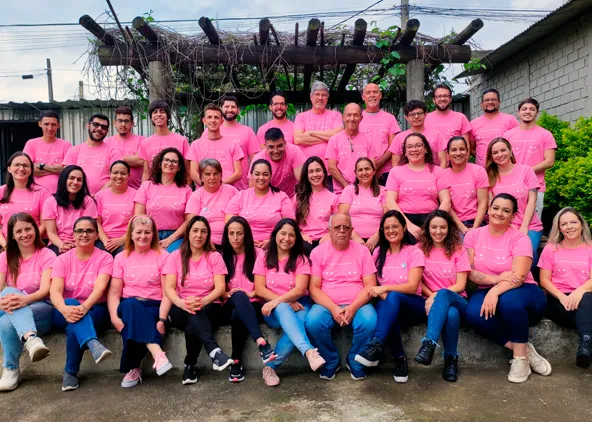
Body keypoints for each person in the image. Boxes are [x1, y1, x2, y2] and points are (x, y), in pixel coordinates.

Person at [464, 193, 550, 383]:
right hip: (486, 288)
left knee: (509, 302)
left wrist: (494, 291)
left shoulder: (520, 238)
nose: (499, 213)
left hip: (525, 292)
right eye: (496, 208)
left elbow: (518, 277)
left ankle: (520, 360)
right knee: (472, 313)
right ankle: (523, 348)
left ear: (513, 216)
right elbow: (468, 272)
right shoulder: (473, 235)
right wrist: (495, 280)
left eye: (506, 210)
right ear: (488, 209)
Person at [353, 210, 425, 383]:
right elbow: (372, 283)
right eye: (386, 228)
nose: (391, 231)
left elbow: (412, 286)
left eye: (395, 226)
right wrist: (385, 294)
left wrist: (384, 289)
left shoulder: (414, 252)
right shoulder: (378, 253)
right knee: (388, 308)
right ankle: (400, 359)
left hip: (412, 304)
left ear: (404, 227)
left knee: (392, 299)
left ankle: (376, 344)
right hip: (388, 302)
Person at [305, 213, 378, 381]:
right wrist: (334, 308)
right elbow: (314, 288)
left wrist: (352, 308)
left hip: (358, 303)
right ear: (329, 230)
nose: (342, 231)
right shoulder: (318, 252)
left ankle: (355, 362)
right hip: (327, 304)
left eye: (346, 227)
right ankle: (331, 361)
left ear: (352, 230)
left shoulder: (362, 252)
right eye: (337, 227)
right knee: (313, 322)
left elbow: (370, 285)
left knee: (369, 321)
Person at [163, 216, 234, 385]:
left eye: (203, 231)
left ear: (208, 235)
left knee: (193, 326)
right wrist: (182, 303)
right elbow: (169, 288)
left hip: (210, 306)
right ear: (188, 233)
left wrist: (202, 301)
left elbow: (220, 288)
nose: (199, 235)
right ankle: (214, 351)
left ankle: (190, 365)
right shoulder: (175, 256)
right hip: (180, 307)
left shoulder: (214, 257)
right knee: (193, 315)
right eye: (195, 230)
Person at [254, 218, 325, 386]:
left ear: (296, 239)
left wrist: (281, 299)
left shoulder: (300, 259)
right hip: (272, 311)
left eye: (291, 235)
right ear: (275, 235)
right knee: (284, 308)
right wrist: (282, 302)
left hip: (300, 306)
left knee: (298, 321)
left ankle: (269, 368)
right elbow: (259, 289)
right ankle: (309, 351)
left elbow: (300, 290)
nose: (287, 238)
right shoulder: (263, 258)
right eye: (283, 233)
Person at [107, 215, 172, 388]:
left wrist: (162, 319)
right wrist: (114, 317)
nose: (143, 236)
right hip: (129, 305)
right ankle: (157, 353)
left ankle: (133, 367)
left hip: (154, 306)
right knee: (130, 305)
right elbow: (114, 293)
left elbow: (167, 293)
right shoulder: (121, 257)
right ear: (131, 234)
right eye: (138, 232)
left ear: (154, 234)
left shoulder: (163, 256)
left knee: (134, 320)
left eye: (147, 232)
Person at [50, 217, 114, 391]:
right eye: (79, 231)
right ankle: (93, 344)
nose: (84, 234)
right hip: (62, 311)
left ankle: (70, 373)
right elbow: (54, 291)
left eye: (89, 231)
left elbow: (100, 289)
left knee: (74, 325)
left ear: (96, 235)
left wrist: (83, 308)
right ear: (73, 235)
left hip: (95, 310)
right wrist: (65, 309)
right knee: (70, 302)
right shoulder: (62, 260)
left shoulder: (105, 258)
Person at [413, 210, 471, 382]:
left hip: (457, 299)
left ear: (449, 229)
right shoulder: (419, 249)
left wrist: (436, 296)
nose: (438, 231)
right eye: (434, 227)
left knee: (446, 295)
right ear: (427, 229)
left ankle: (429, 343)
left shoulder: (458, 250)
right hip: (432, 302)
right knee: (450, 315)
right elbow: (417, 280)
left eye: (443, 227)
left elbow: (460, 285)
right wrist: (433, 296)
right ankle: (450, 360)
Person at [0, 213, 55, 391]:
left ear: (35, 230)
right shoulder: (5, 257)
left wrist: (24, 300)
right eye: (19, 231)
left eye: (28, 229)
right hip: (14, 311)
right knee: (6, 317)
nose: (24, 234)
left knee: (8, 296)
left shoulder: (46, 254)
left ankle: (10, 369)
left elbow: (45, 290)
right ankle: (31, 339)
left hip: (43, 309)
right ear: (12, 235)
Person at [221, 216, 277, 383]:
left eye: (239, 233)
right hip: (229, 303)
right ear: (227, 235)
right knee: (238, 297)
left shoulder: (259, 254)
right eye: (231, 233)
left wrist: (249, 294)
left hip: (255, 306)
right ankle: (261, 342)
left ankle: (236, 362)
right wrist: (227, 294)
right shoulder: (221, 256)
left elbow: (264, 284)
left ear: (246, 235)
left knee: (238, 315)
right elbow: (218, 289)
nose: (236, 237)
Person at [538, 207, 592, 368]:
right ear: (559, 228)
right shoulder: (551, 248)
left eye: (573, 222)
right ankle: (587, 341)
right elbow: (544, 280)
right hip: (558, 300)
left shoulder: (590, 248)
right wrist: (562, 297)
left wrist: (580, 291)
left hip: (586, 298)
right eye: (564, 224)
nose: (569, 227)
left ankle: (585, 345)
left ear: (582, 224)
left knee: (588, 299)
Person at [486, 138, 543, 263]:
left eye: (503, 150)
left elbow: (532, 201)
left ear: (510, 151)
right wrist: (508, 226)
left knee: (529, 252)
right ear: (491, 156)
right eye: (495, 153)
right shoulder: (489, 176)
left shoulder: (526, 171)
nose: (500, 155)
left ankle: (528, 281)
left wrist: (524, 227)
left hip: (529, 225)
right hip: (502, 225)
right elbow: (491, 206)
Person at [385, 133, 451, 241]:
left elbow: (446, 201)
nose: (414, 149)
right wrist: (409, 225)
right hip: (403, 221)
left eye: (418, 145)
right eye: (409, 147)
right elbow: (390, 201)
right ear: (405, 152)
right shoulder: (395, 172)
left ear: (425, 149)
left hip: (433, 222)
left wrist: (432, 225)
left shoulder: (438, 171)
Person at [503, 98, 556, 220]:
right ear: (518, 112)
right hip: (511, 185)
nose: (528, 112)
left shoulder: (545, 134)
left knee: (533, 223)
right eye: (524, 109)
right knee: (509, 220)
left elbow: (550, 161)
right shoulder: (508, 135)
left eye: (532, 109)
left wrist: (525, 172)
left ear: (537, 113)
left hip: (536, 186)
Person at [225, 159, 295, 250]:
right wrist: (246, 240)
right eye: (257, 174)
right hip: (243, 245)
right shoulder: (241, 196)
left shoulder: (281, 197)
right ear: (251, 175)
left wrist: (272, 240)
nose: (261, 178)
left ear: (270, 176)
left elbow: (290, 224)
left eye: (265, 174)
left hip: (276, 245)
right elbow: (228, 223)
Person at [134, 148, 192, 253]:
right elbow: (139, 216)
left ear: (179, 167)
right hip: (149, 234)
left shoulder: (186, 189)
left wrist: (171, 239)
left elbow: (189, 220)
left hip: (177, 236)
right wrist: (149, 237)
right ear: (160, 163)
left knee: (173, 256)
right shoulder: (146, 186)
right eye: (166, 160)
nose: (170, 163)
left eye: (174, 161)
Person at [207, 96, 261, 190]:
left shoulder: (247, 131)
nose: (230, 110)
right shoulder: (209, 131)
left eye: (233, 107)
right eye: (226, 106)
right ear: (221, 109)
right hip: (213, 185)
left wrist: (253, 182)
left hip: (241, 187)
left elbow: (255, 161)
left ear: (238, 110)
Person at [43, 166, 98, 255]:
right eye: (71, 178)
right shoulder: (50, 202)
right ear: (64, 180)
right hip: (57, 244)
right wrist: (62, 245)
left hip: (83, 241)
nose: (75, 182)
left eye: (79, 180)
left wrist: (76, 245)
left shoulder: (88, 201)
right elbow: (51, 233)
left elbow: (87, 229)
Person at [0, 152, 50, 249]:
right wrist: (5, 245)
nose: (21, 168)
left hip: (34, 245)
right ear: (9, 168)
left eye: (25, 165)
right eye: (17, 165)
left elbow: (45, 224)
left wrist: (28, 241)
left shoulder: (41, 192)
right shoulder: (1, 191)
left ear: (31, 170)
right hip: (7, 246)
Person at [62, 114, 121, 195]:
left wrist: (97, 196)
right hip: (78, 200)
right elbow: (66, 176)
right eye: (96, 124)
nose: (99, 129)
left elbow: (116, 177)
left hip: (104, 199)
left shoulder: (113, 151)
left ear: (107, 131)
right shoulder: (73, 151)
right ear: (88, 125)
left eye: (103, 127)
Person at [186, 159, 238, 249]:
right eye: (207, 174)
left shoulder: (232, 191)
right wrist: (208, 244)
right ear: (201, 177)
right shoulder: (196, 196)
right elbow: (192, 224)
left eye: (215, 174)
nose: (212, 177)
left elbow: (243, 215)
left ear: (221, 175)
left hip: (233, 241)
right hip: (206, 243)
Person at [326, 103, 378, 194]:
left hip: (365, 191)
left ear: (361, 118)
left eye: (356, 115)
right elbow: (331, 168)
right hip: (341, 192)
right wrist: (347, 187)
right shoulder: (334, 140)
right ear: (343, 117)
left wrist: (360, 188)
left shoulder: (368, 139)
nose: (352, 119)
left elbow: (372, 167)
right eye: (349, 115)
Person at [188, 104, 244, 188]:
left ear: (221, 121)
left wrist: (220, 186)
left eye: (216, 117)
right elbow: (193, 173)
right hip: (203, 195)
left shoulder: (233, 144)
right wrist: (207, 187)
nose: (213, 120)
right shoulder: (196, 145)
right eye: (209, 117)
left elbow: (238, 173)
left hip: (227, 194)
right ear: (204, 120)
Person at [441, 137, 489, 233]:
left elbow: (483, 203)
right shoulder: (442, 175)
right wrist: (462, 228)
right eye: (454, 150)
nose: (458, 153)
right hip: (453, 224)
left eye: (462, 149)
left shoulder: (478, 171)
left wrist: (474, 228)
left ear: (467, 152)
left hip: (477, 222)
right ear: (448, 155)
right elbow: (447, 206)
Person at [338, 158, 386, 251]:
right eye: (360, 170)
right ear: (355, 173)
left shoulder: (383, 191)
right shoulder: (349, 190)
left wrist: (376, 238)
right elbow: (342, 217)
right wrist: (355, 237)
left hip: (378, 239)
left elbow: (387, 218)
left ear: (374, 171)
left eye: (367, 169)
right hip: (352, 239)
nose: (364, 173)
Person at [294, 81, 343, 171]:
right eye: (317, 94)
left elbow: (338, 136)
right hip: (307, 170)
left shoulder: (336, 115)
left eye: (324, 95)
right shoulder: (301, 116)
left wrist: (311, 133)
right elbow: (298, 139)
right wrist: (328, 136)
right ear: (311, 96)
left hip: (330, 170)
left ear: (328, 97)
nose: (320, 98)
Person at [294, 157, 339, 256]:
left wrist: (329, 235)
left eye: (318, 170)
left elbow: (337, 223)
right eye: (311, 171)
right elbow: (292, 222)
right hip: (304, 240)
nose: (315, 175)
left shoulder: (333, 198)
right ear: (306, 175)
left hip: (325, 239)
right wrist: (301, 235)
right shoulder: (298, 197)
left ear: (324, 172)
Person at [359, 83, 401, 185]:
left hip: (386, 172)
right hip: (362, 172)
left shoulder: (390, 118)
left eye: (375, 92)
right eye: (368, 93)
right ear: (363, 97)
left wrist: (379, 164)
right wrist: (370, 167)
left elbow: (393, 146)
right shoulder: (357, 118)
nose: (372, 95)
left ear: (380, 95)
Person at [138, 100, 190, 181]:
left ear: (168, 116)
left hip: (176, 187)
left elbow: (187, 171)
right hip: (154, 189)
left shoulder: (182, 141)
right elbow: (146, 173)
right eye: (155, 112)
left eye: (162, 112)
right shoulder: (145, 143)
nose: (158, 114)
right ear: (151, 117)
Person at [23, 110, 72, 194]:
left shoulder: (66, 145)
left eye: (53, 124)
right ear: (40, 124)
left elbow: (67, 171)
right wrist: (56, 169)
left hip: (60, 194)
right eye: (46, 124)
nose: (50, 128)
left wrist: (41, 166)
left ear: (58, 126)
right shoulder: (31, 144)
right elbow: (27, 169)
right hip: (35, 193)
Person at [95, 161, 136, 256]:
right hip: (103, 239)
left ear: (129, 176)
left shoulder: (136, 194)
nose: (119, 176)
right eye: (115, 172)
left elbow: (137, 221)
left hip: (128, 239)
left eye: (123, 173)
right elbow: (97, 223)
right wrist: (105, 241)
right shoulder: (100, 195)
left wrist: (121, 240)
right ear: (109, 175)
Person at [389, 101, 447, 168]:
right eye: (412, 114)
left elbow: (443, 161)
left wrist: (440, 177)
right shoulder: (399, 138)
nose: (416, 117)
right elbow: (395, 164)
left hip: (432, 175)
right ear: (406, 117)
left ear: (425, 115)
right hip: (406, 177)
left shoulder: (437, 135)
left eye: (419, 113)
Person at [251, 127, 305, 198]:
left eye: (279, 146)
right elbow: (253, 188)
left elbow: (302, 180)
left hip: (291, 196)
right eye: (271, 147)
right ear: (265, 146)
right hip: (268, 199)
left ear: (285, 143)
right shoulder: (258, 159)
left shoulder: (294, 151)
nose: (276, 151)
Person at [470, 89, 519, 167]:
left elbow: (518, 143)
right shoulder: (473, 124)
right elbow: (472, 148)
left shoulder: (510, 120)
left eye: (493, 99)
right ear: (481, 104)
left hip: (506, 170)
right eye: (486, 100)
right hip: (483, 172)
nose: (490, 102)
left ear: (499, 102)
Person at [104, 106, 145, 189]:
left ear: (132, 123)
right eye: (120, 121)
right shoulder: (107, 143)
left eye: (126, 121)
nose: (123, 124)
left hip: (136, 191)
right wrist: (131, 160)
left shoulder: (142, 141)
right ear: (114, 123)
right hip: (112, 192)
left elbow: (141, 160)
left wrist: (118, 159)